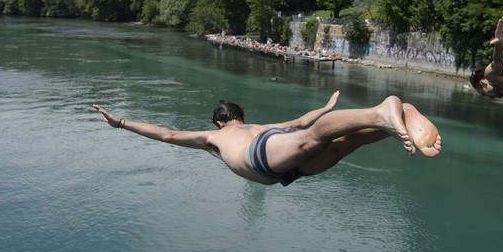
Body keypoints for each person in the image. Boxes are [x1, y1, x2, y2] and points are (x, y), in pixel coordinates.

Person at [92, 91, 441, 186]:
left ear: (219, 120)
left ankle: (381, 113)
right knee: (338, 143)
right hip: (283, 159)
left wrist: (121, 121)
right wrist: (326, 106)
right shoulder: (259, 126)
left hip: (263, 161)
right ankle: (392, 124)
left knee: (312, 141)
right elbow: (304, 120)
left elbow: (166, 133)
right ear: (240, 115)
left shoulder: (215, 136)